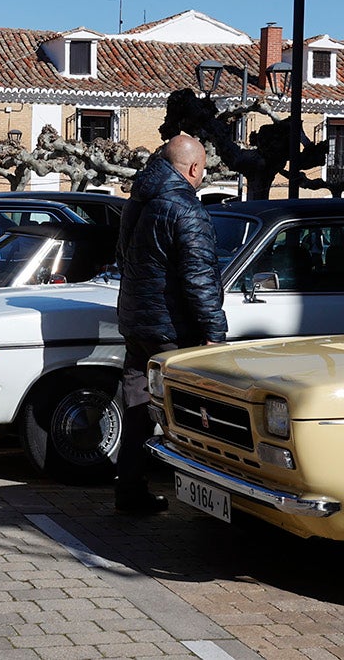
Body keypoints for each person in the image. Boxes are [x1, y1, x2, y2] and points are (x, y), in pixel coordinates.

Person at [114, 134, 228, 515]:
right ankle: (208, 499)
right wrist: (214, 333)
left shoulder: (138, 202)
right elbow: (199, 278)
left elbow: (125, 260)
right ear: (194, 168)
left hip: (137, 324)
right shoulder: (185, 210)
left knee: (137, 409)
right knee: (193, 416)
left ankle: (129, 490)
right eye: (203, 170)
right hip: (174, 331)